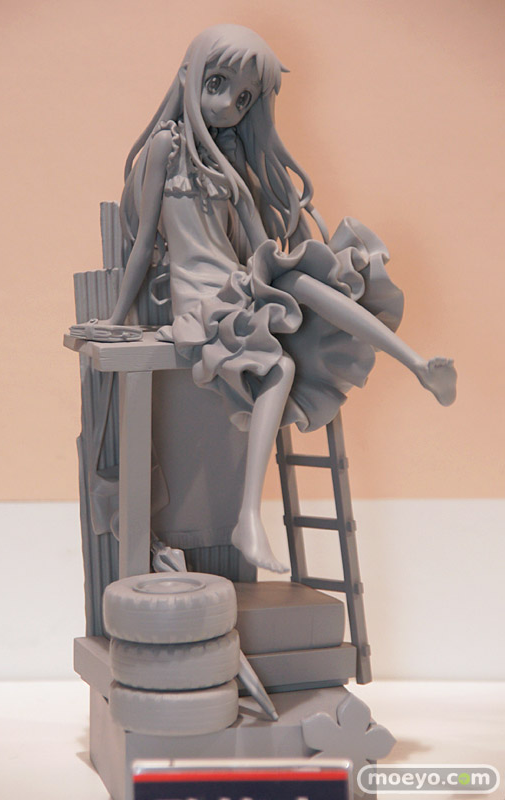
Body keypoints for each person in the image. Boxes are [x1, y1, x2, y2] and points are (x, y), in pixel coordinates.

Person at [72, 24, 456, 573]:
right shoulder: (166, 149)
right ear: (188, 77)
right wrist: (116, 317)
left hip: (235, 282)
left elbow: (256, 245)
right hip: (200, 301)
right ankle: (248, 519)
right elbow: (141, 248)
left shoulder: (227, 163)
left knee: (301, 280)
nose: (228, 105)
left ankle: (416, 364)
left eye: (244, 98)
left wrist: (275, 239)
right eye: (218, 84)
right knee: (279, 367)